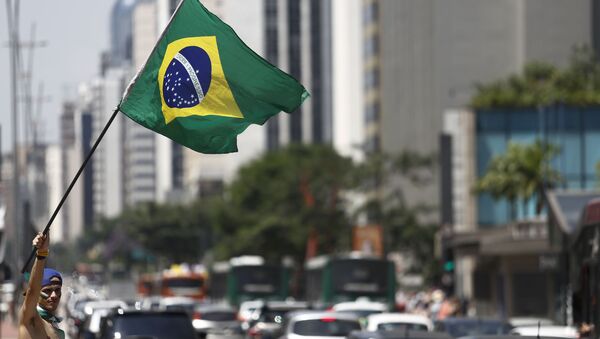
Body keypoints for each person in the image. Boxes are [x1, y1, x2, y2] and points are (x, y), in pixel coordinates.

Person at [18, 232, 65, 339]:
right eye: (47, 290)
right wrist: (42, 253)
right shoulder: (31, 318)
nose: (54, 295)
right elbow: (32, 291)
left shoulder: (56, 329)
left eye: (57, 290)